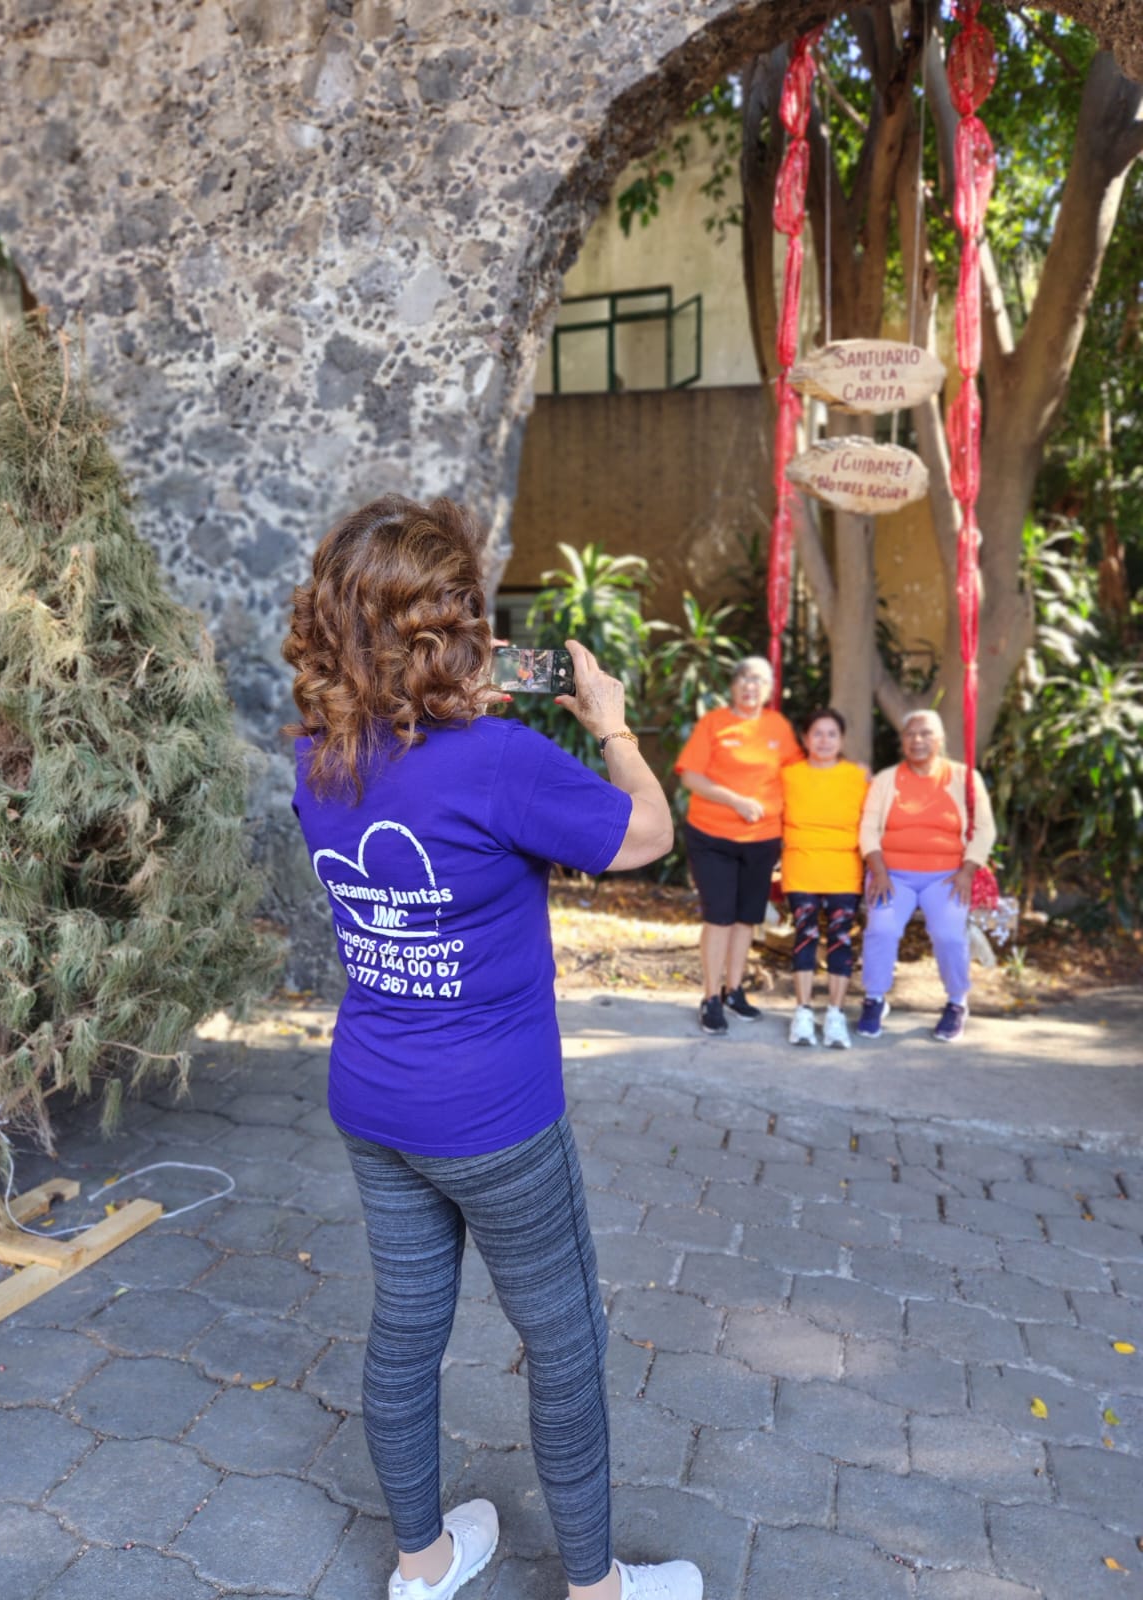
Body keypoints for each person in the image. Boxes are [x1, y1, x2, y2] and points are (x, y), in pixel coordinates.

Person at [282, 495, 702, 1600]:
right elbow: (649, 835)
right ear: (455, 624)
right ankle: (598, 1588)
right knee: (563, 1342)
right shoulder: (501, 760)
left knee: (405, 1330)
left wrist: (439, 704)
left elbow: (412, 779)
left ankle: (422, 1564)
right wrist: (611, 725)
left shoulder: (315, 760)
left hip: (374, 1101)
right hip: (496, 1117)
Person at [674, 656, 801, 1035]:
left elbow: (798, 774)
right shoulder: (713, 723)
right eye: (744, 678)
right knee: (719, 917)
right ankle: (711, 997)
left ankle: (734, 989)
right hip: (712, 837)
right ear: (733, 686)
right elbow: (691, 777)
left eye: (759, 680)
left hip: (762, 840)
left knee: (746, 918)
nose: (750, 686)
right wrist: (737, 801)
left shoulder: (778, 726)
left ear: (769, 689)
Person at [856, 708, 996, 1044]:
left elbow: (985, 829)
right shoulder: (886, 780)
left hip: (947, 876)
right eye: (910, 734)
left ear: (940, 739)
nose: (917, 740)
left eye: (926, 733)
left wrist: (967, 871)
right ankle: (874, 999)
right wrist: (879, 872)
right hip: (892, 874)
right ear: (902, 741)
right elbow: (868, 829)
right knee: (882, 928)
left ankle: (957, 1002)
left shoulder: (965, 778)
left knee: (948, 934)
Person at [779, 708, 868, 1049]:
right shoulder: (789, 775)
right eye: (817, 733)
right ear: (805, 739)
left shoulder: (858, 776)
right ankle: (802, 1012)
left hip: (844, 869)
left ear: (842, 740)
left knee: (840, 939)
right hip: (802, 865)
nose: (825, 740)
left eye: (832, 734)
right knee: (805, 935)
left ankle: (835, 1014)